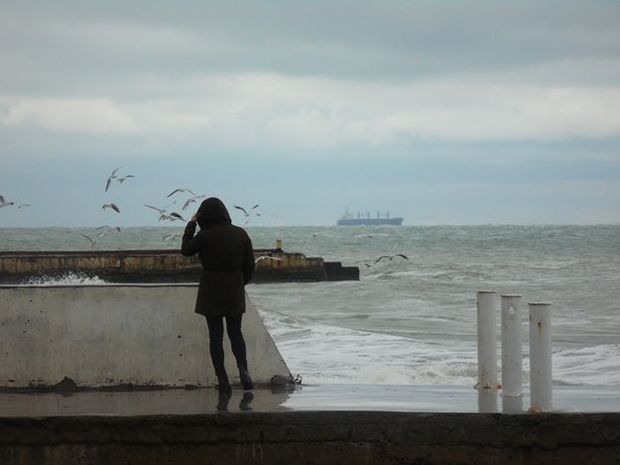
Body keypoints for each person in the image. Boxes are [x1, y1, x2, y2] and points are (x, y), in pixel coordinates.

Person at [181, 197, 255, 392]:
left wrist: (191, 223)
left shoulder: (205, 236)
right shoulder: (240, 233)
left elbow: (186, 250)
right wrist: (241, 282)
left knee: (216, 336)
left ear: (204, 215)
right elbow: (250, 265)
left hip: (211, 289)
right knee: (236, 332)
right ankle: (243, 370)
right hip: (234, 287)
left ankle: (222, 379)